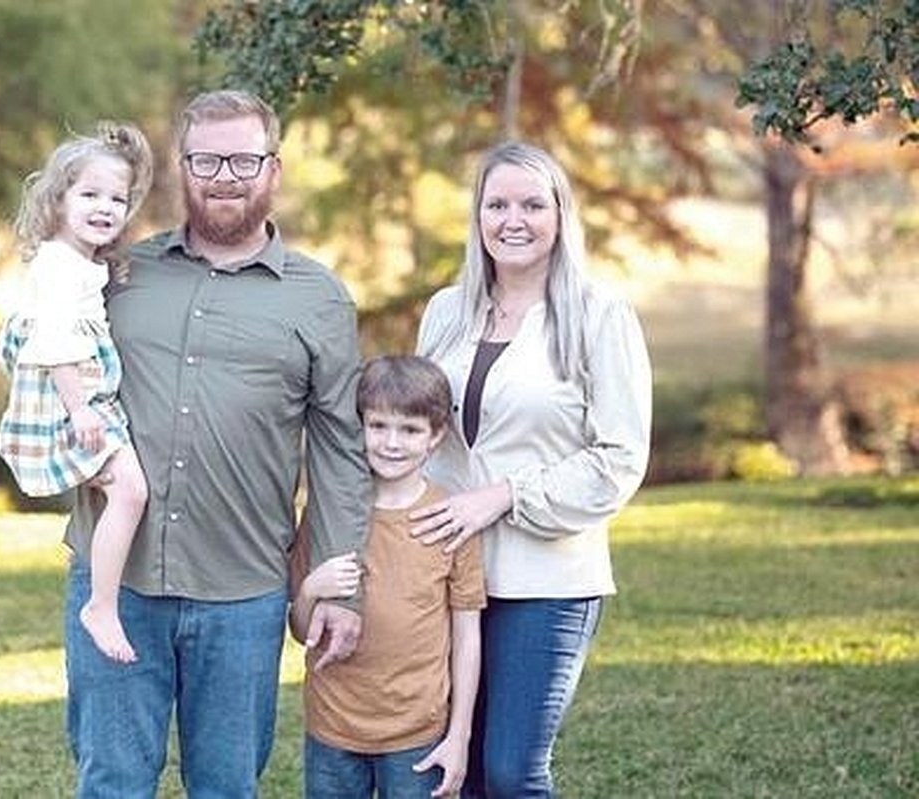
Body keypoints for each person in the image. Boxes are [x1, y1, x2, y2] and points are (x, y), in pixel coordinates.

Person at [62, 89, 373, 798]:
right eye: (206, 160)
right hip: (117, 582)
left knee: (227, 786)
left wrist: (341, 588)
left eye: (243, 160)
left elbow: (341, 453)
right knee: (111, 781)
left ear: (274, 168)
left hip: (245, 593)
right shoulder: (118, 274)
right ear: (182, 167)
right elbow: (50, 358)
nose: (224, 176)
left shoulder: (320, 298)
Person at [412, 141, 652, 798]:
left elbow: (619, 459)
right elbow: (417, 433)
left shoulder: (599, 315)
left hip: (547, 578)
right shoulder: (445, 312)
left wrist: (506, 495)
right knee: (452, 771)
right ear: (477, 216)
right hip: (447, 574)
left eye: (532, 205)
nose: (512, 220)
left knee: (510, 772)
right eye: (497, 205)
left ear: (560, 215)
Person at [289, 355, 486, 799]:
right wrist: (311, 589)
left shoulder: (450, 519)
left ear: (436, 435)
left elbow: (467, 637)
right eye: (378, 426)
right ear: (359, 426)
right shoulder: (326, 515)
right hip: (333, 728)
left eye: (410, 429)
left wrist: (459, 736)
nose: (392, 443)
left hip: (418, 732)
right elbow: (302, 631)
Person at [0, 121, 154, 663]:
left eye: (117, 199)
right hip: (71, 399)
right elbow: (55, 340)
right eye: (90, 195)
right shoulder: (59, 265)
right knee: (130, 490)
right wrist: (81, 408)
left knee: (127, 490)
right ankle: (101, 606)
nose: (105, 207)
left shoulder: (78, 261)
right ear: (58, 199)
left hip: (82, 395)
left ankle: (103, 604)